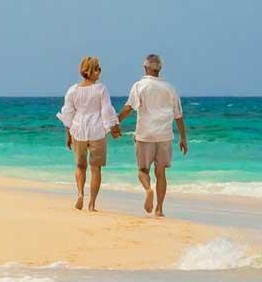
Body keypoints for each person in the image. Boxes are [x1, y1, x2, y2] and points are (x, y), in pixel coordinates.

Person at [116, 54, 186, 217]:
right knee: (161, 172)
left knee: (142, 170)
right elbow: (178, 115)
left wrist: (116, 121)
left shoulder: (139, 86)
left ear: (145, 67)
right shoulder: (170, 88)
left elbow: (129, 107)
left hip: (145, 134)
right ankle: (159, 209)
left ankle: (148, 190)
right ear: (160, 68)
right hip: (165, 135)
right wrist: (183, 138)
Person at [57, 56, 121, 212]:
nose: (100, 71)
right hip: (97, 131)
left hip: (78, 130)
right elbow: (106, 110)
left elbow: (68, 114)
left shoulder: (73, 90)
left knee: (80, 166)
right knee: (96, 168)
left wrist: (68, 134)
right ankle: (92, 204)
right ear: (92, 71)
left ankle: (80, 194)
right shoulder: (101, 89)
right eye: (98, 68)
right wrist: (113, 127)